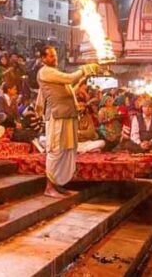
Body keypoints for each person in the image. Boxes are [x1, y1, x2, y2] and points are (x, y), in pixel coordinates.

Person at [35, 45, 98, 198]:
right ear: (43, 59)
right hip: (57, 117)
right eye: (50, 56)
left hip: (67, 116)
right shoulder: (45, 71)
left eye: (55, 55)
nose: (54, 58)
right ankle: (49, 187)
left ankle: (59, 185)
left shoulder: (54, 72)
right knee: (56, 151)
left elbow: (69, 91)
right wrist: (85, 68)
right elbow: (69, 78)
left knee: (67, 151)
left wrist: (84, 77)